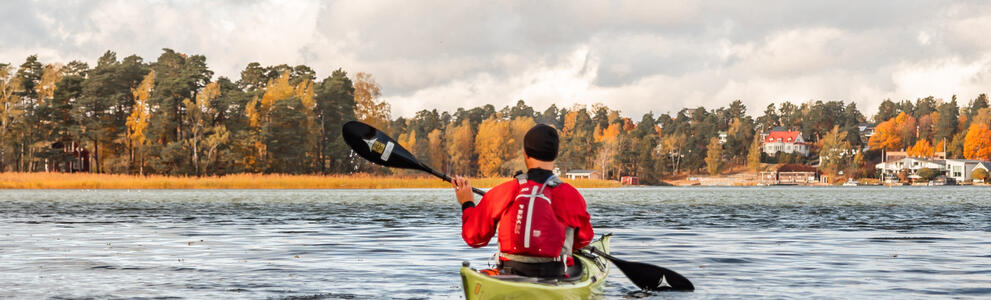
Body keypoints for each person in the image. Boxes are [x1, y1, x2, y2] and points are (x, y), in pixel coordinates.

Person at [451, 124, 593, 278]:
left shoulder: (503, 192)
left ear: (525, 154)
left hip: (509, 273)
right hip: (554, 275)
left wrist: (467, 204)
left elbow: (473, 237)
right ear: (556, 154)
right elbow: (584, 238)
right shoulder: (570, 195)